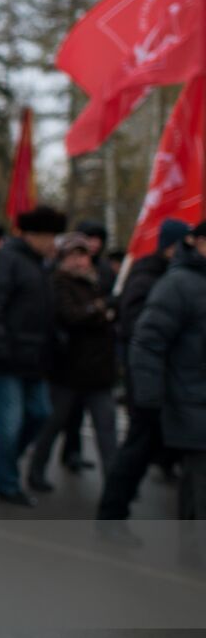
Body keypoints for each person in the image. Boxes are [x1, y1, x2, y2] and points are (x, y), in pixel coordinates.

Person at [99, 219, 191, 519]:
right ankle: (111, 514)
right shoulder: (150, 278)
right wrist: (149, 393)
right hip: (151, 385)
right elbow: (141, 335)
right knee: (138, 448)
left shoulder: (172, 277)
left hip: (174, 385)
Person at [0, 205, 66, 506]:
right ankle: (8, 483)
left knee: (40, 414)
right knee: (9, 424)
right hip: (5, 361)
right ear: (31, 235)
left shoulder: (41, 266)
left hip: (33, 360)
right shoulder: (9, 260)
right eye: (48, 236)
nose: (53, 243)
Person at [27, 233, 119, 492]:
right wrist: (100, 309)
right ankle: (36, 472)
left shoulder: (97, 282)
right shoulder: (57, 283)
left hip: (99, 373)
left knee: (107, 432)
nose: (80, 261)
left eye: (83, 255)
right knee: (52, 425)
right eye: (74, 256)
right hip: (68, 371)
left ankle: (115, 488)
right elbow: (71, 316)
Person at [129, 220, 206, 519]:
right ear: (198, 242)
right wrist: (150, 398)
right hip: (191, 401)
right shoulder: (178, 284)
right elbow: (148, 341)